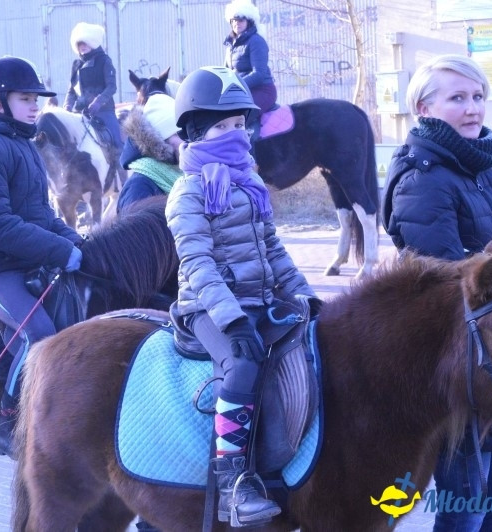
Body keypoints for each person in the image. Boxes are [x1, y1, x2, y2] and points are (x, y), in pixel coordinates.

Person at [382, 54, 492, 531]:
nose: (473, 109)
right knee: (466, 505)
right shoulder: (422, 179)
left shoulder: (477, 167)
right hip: (454, 367)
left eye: (477, 97)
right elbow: (452, 287)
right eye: (458, 98)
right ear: (424, 109)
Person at [167, 65, 317, 527]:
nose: (235, 135)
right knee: (242, 363)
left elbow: (273, 248)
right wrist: (231, 319)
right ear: (195, 131)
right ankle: (233, 480)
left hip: (257, 298)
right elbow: (197, 263)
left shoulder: (249, 185)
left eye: (239, 125)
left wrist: (305, 295)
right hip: (207, 306)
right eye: (222, 126)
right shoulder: (188, 191)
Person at [0, 56, 84, 459]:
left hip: (21, 260)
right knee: (38, 334)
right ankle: (9, 422)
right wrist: (60, 251)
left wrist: (78, 242)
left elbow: (42, 215)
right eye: (26, 98)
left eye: (36, 99)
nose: (35, 106)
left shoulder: (21, 145)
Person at [116, 92, 183, 215]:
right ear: (162, 140)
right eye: (179, 135)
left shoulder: (185, 174)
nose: (189, 142)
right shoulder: (139, 187)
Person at [64, 22, 123, 152]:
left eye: (84, 43)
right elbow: (72, 91)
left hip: (103, 111)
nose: (82, 46)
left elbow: (112, 87)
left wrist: (98, 102)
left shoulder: (104, 60)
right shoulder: (76, 64)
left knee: (117, 143)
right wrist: (67, 108)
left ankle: (121, 169)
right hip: (81, 112)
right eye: (79, 44)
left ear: (92, 42)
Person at [223, 0, 276, 142]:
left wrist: (236, 84)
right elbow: (226, 71)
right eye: (234, 20)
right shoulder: (230, 45)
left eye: (240, 20)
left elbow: (259, 74)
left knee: (241, 116)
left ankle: (251, 156)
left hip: (262, 90)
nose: (236, 23)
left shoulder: (256, 41)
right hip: (242, 90)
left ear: (249, 22)